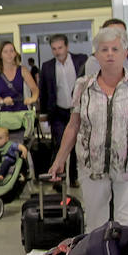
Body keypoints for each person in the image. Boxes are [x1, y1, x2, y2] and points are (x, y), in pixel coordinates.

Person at [47, 25, 128, 229]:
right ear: (96, 55)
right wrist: (60, 159)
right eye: (104, 50)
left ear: (125, 53)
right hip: (92, 166)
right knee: (96, 226)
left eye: (115, 49)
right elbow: (73, 125)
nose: (109, 55)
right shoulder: (83, 86)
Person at [38, 33, 87, 184]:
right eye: (54, 49)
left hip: (78, 110)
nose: (57, 51)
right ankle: (57, 178)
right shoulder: (47, 66)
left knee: (75, 144)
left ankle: (73, 178)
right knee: (59, 143)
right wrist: (44, 113)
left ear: (67, 47)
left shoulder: (81, 60)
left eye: (60, 47)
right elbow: (44, 91)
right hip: (58, 111)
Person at [0, 40, 39, 111]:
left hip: (21, 112)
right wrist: (3, 101)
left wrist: (32, 99)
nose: (9, 54)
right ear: (0, 55)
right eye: (5, 52)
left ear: (15, 53)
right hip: (3, 112)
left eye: (11, 51)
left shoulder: (23, 70)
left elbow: (34, 89)